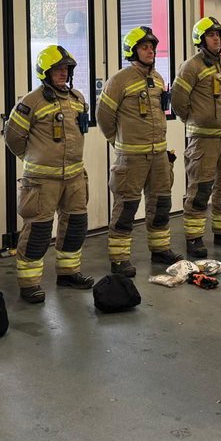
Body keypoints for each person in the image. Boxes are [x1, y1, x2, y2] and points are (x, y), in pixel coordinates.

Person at [3, 45, 95, 303]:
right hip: (42, 181)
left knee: (76, 225)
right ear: (46, 71)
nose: (63, 73)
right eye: (57, 69)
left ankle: (68, 273)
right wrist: (33, 158)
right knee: (39, 231)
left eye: (66, 69)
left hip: (75, 176)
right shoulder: (30, 102)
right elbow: (13, 138)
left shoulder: (77, 99)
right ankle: (29, 283)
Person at [96, 26, 181, 275]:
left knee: (161, 203)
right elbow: (104, 117)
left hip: (158, 156)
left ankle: (160, 249)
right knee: (127, 208)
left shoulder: (157, 79)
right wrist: (119, 141)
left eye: (152, 46)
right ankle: (119, 258)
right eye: (144, 47)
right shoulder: (119, 80)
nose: (150, 50)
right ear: (132, 51)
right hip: (131, 158)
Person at [172, 16, 221, 258]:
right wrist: (196, 120)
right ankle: (194, 238)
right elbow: (178, 101)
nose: (217, 39)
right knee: (200, 189)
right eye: (212, 35)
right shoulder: (191, 66)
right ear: (201, 40)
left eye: (219, 35)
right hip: (203, 141)